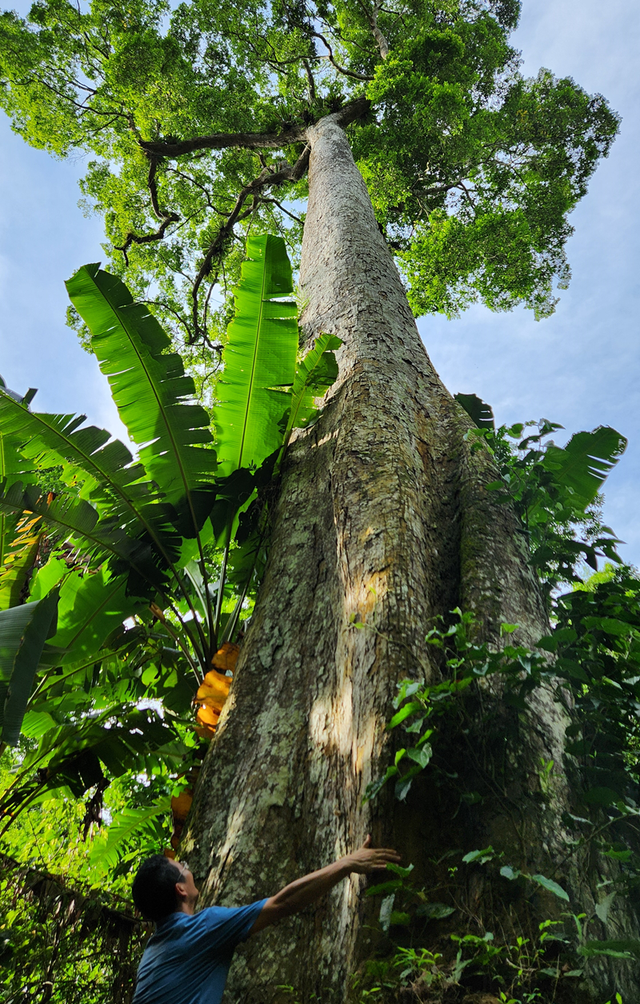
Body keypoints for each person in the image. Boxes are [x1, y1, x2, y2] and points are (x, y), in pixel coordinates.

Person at [131, 835, 401, 1004]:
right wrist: (346, 863)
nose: (189, 870)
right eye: (184, 868)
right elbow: (282, 903)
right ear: (180, 889)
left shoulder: (151, 954)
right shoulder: (203, 928)